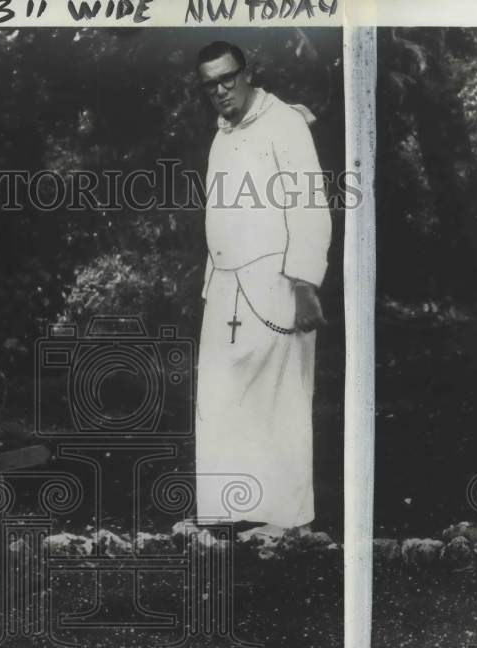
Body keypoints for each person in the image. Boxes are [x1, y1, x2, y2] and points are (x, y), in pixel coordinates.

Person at [193, 41, 332, 529]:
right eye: (210, 84)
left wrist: (305, 284)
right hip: (226, 286)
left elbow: (309, 205)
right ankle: (232, 512)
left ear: (247, 73)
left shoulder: (285, 125)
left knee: (281, 399)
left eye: (227, 77)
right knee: (221, 395)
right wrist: (212, 285)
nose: (221, 89)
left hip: (276, 282)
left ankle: (287, 520)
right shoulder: (222, 136)